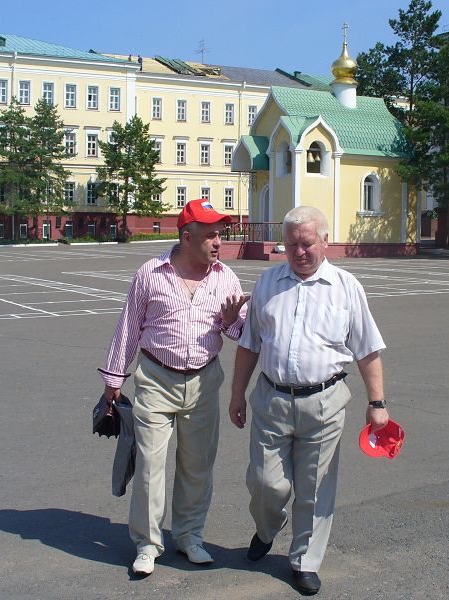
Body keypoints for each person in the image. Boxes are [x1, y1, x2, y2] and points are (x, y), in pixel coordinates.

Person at [229, 205, 390, 596]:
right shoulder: (267, 283)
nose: (299, 252)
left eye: (307, 244)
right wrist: (237, 394)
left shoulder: (346, 288)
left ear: (325, 241)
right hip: (271, 399)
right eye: (291, 245)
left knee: (315, 488)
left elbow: (367, 349)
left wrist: (377, 403)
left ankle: (304, 561)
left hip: (324, 402)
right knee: (265, 483)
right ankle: (268, 526)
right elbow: (250, 344)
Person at [99, 199, 249, 576]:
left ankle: (189, 536)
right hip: (156, 379)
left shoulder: (225, 278)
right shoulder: (152, 273)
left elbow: (238, 332)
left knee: (197, 465)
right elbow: (129, 327)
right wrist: (114, 380)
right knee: (150, 465)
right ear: (186, 237)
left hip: (204, 381)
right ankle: (148, 544)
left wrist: (232, 320)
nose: (219, 242)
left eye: (220, 234)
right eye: (211, 235)